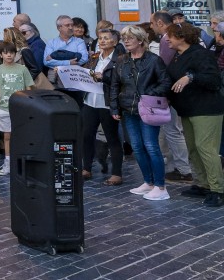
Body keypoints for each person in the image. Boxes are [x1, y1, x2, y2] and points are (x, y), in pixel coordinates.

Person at [108, 26, 172, 200]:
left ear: (141, 40)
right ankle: (148, 182)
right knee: (137, 147)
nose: (126, 41)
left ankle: (160, 186)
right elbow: (114, 85)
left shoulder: (153, 60)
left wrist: (149, 95)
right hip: (128, 109)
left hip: (148, 108)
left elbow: (166, 83)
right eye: (124, 38)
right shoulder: (122, 60)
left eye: (130, 38)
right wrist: (114, 108)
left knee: (151, 146)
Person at [163, 23, 224, 206]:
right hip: (187, 108)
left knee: (206, 148)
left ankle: (218, 189)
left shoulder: (201, 54)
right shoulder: (178, 55)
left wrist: (191, 77)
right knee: (193, 148)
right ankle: (203, 184)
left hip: (206, 108)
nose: (167, 39)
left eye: (171, 35)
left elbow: (214, 80)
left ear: (182, 37)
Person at [149, 11, 194, 182]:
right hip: (177, 90)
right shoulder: (170, 37)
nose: (151, 27)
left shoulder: (167, 38)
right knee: (172, 130)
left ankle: (183, 169)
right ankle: (176, 166)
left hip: (174, 91)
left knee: (173, 130)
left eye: (152, 23)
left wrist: (164, 91)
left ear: (160, 23)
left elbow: (165, 68)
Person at [81, 26, 124, 185]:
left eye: (106, 38)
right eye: (100, 38)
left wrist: (103, 77)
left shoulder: (120, 58)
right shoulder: (95, 57)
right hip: (90, 100)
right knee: (86, 135)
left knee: (112, 137)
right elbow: (86, 72)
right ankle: (86, 168)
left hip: (107, 102)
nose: (102, 41)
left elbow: (120, 80)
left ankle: (117, 173)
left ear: (115, 41)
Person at [0, 42, 33, 176]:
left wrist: (28, 105)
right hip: (4, 107)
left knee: (22, 136)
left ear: (16, 54)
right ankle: (8, 163)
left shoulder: (22, 69)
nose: (9, 55)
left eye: (12, 52)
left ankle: (22, 164)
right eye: (6, 52)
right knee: (7, 136)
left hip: (21, 107)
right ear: (1, 54)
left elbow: (29, 88)